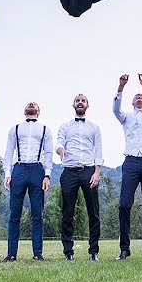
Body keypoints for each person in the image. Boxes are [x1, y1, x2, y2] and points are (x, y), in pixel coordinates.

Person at [113, 73, 142, 260]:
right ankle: (124, 249)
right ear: (132, 102)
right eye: (137, 96)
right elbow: (115, 109)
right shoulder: (126, 117)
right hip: (130, 161)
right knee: (124, 204)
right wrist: (121, 87)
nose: (139, 97)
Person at [2, 102, 53, 262]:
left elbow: (49, 153)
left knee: (37, 214)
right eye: (29, 104)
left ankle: (37, 253)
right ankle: (11, 254)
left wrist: (47, 175)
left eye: (34, 104)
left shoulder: (45, 129)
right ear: (25, 111)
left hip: (37, 170)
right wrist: (8, 173)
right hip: (19, 169)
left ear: (38, 112)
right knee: (14, 214)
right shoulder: (15, 129)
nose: (31, 104)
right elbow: (9, 151)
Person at [56, 94, 103, 261]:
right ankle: (68, 252)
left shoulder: (94, 127)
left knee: (93, 212)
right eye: (77, 100)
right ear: (73, 105)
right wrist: (61, 150)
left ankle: (93, 252)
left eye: (83, 100)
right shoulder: (65, 126)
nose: (80, 102)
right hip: (69, 171)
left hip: (89, 170)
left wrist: (97, 173)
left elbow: (98, 151)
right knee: (67, 212)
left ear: (88, 105)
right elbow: (59, 143)